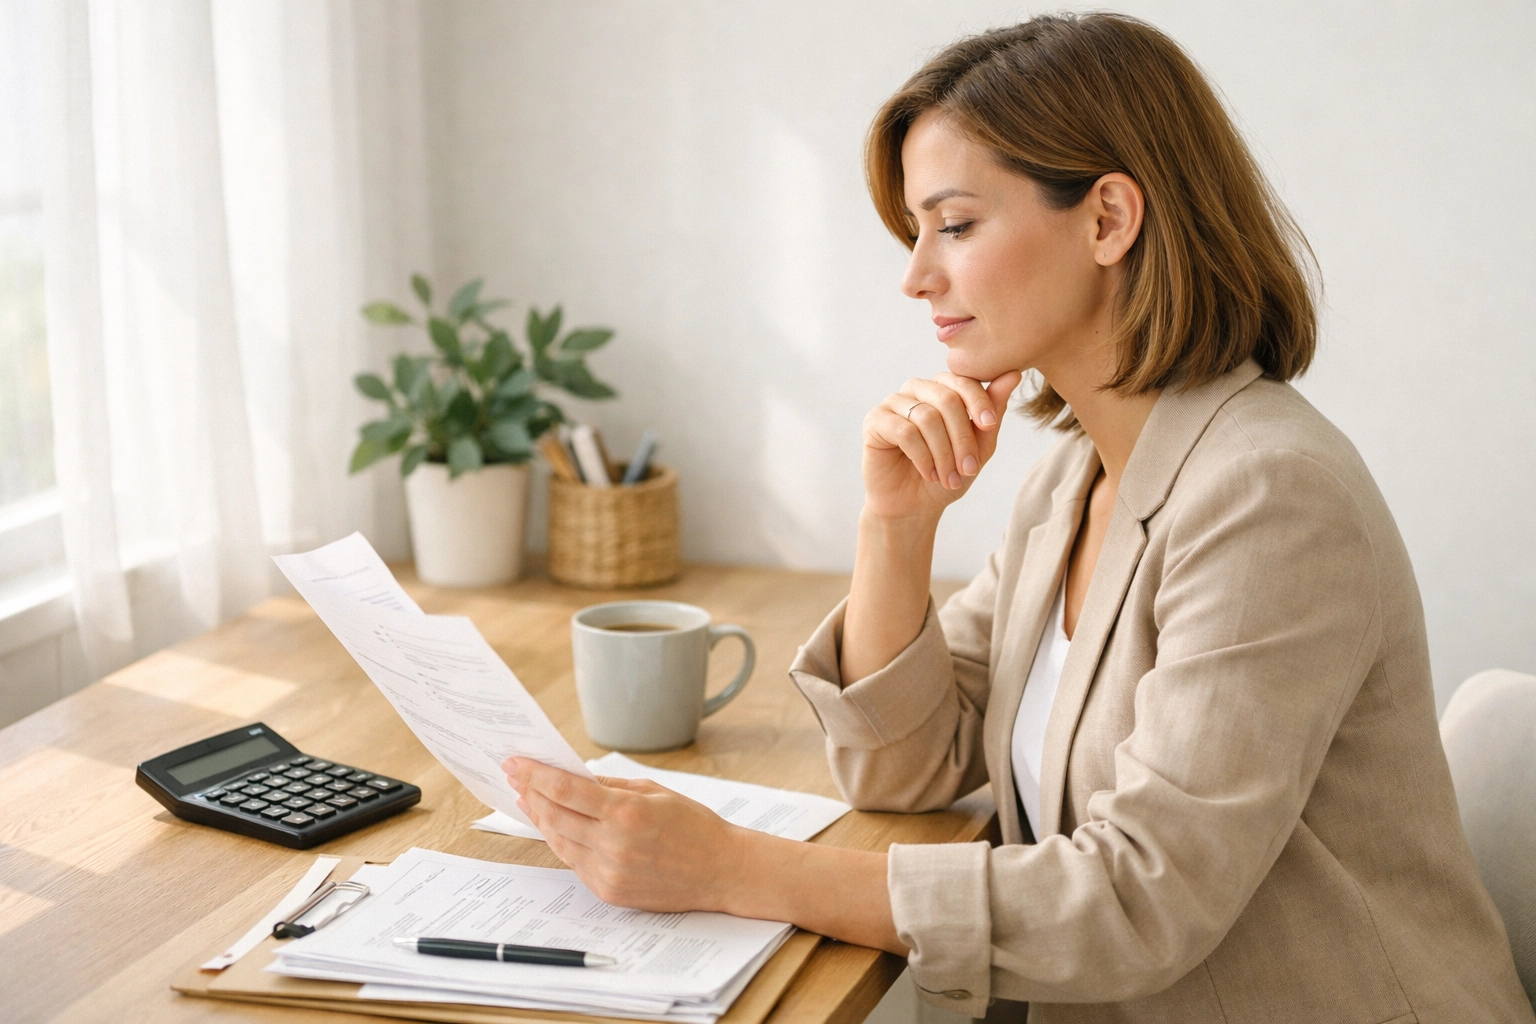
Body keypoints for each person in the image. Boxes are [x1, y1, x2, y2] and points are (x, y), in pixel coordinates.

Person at [504, 12, 1533, 1022]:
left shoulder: (1269, 494)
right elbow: (904, 766)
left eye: (953, 225)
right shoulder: (1076, 476)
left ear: (1107, 220)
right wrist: (894, 526)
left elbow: (1138, 901)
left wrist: (730, 868)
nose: (916, 275)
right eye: (917, 233)